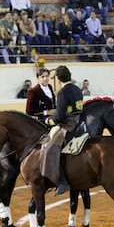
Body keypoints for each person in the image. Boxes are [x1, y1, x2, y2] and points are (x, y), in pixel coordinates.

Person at [45, 65, 83, 196]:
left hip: (68, 125)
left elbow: (60, 117)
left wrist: (49, 120)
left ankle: (62, 181)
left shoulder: (62, 92)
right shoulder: (77, 89)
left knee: (51, 148)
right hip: (80, 124)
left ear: (58, 78)